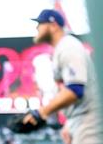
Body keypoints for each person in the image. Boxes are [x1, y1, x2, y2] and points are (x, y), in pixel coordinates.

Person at [23, 9, 102, 144]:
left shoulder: (69, 47)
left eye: (40, 23)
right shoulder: (62, 48)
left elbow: (75, 90)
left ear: (53, 25)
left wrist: (41, 112)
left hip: (90, 121)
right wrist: (68, 125)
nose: (37, 27)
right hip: (79, 119)